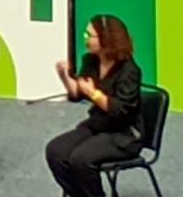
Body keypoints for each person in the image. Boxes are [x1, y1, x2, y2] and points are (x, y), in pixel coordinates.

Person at [45, 15, 144, 197]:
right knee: (55, 151)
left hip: (123, 134)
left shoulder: (129, 71)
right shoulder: (90, 60)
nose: (86, 39)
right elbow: (77, 94)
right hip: (97, 125)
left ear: (106, 39)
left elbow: (120, 110)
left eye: (89, 35)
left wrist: (93, 93)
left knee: (81, 160)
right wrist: (64, 75)